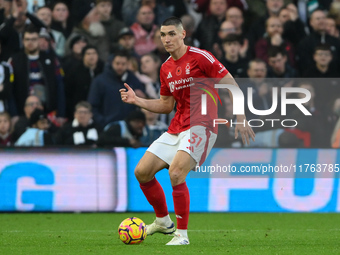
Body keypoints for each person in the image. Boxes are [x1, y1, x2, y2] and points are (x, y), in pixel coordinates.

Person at [120, 17, 255, 245]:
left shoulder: (201, 57)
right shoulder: (165, 68)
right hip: (177, 127)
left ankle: (181, 235)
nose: (167, 39)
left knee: (175, 173)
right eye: (163, 35)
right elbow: (165, 105)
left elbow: (231, 83)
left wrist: (241, 117)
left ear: (183, 34)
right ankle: (163, 221)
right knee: (142, 172)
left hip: (202, 126)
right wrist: (137, 100)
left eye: (172, 33)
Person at [88, 50, 145, 129]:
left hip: (130, 128)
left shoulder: (134, 80)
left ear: (128, 64)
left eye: (123, 64)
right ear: (112, 63)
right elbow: (93, 105)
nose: (120, 67)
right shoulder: (100, 81)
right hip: (107, 127)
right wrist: (103, 122)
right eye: (117, 63)